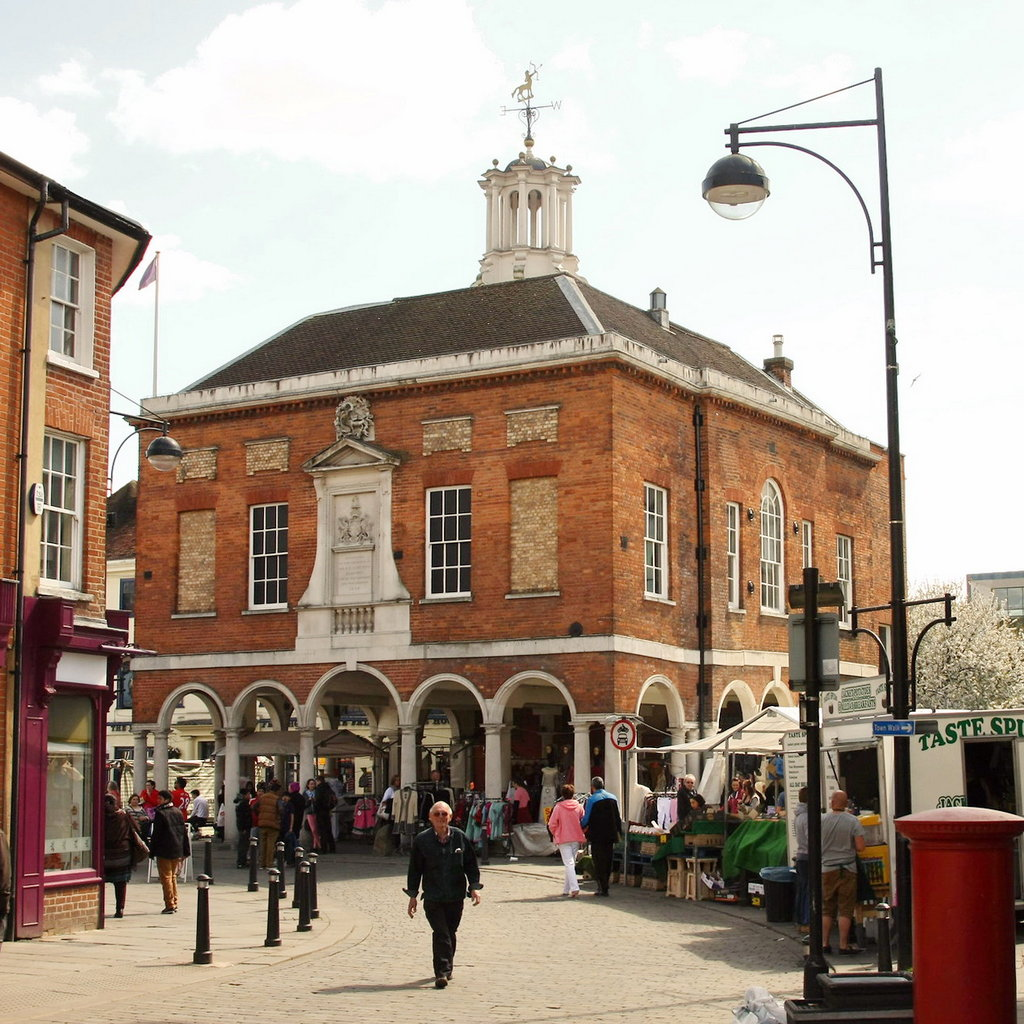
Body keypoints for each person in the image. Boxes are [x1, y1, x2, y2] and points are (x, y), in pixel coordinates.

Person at [404, 801, 482, 989]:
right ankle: (441, 972)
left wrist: (474, 887)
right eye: (437, 814)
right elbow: (415, 869)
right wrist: (413, 895)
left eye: (444, 814)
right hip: (433, 896)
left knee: (450, 932)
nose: (441, 818)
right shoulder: (422, 840)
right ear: (430, 818)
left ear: (450, 817)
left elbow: (470, 864)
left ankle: (447, 966)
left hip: (455, 895)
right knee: (441, 933)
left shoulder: (460, 838)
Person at [820, 790, 866, 955]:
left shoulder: (822, 820)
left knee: (827, 908)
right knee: (845, 909)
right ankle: (843, 945)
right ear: (846, 804)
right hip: (848, 869)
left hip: (827, 869)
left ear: (832, 802)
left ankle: (824, 943)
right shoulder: (853, 821)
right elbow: (860, 847)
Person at [149, 789, 190, 914]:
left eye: (160, 799)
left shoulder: (161, 814)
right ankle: (174, 901)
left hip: (164, 848)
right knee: (172, 877)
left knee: (166, 877)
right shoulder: (177, 811)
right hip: (177, 848)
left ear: (166, 800)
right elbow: (183, 832)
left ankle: (169, 904)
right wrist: (185, 849)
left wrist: (152, 850)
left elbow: (156, 834)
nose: (157, 801)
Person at [581, 776, 622, 897]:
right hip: (610, 834)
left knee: (598, 860)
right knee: (608, 859)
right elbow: (617, 817)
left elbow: (586, 819)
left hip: (597, 835)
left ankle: (601, 886)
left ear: (593, 787)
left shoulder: (592, 800)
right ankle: (606, 885)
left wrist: (580, 825)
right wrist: (618, 831)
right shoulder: (613, 797)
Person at [103, 794, 139, 918]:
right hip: (123, 853)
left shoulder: (100, 817)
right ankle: (120, 909)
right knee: (121, 883)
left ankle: (100, 908)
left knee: (101, 882)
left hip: (105, 854)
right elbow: (136, 829)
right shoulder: (124, 815)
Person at [547, 783, 586, 897]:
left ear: (562, 795)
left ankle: (574, 887)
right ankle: (566, 888)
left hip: (563, 838)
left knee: (568, 863)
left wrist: (556, 833)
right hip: (576, 837)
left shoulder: (559, 807)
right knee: (571, 863)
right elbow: (583, 821)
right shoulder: (579, 806)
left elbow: (552, 823)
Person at [793, 786, 810, 936]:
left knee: (802, 890)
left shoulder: (799, 815)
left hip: (801, 855)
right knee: (807, 890)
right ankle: (805, 921)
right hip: (807, 855)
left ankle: (800, 920)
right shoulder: (807, 817)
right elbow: (811, 839)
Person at [256, 779, 283, 867]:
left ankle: (262, 863)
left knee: (262, 844)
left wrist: (260, 813)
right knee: (271, 845)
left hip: (262, 822)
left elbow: (254, 807)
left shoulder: (262, 797)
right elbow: (281, 810)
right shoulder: (277, 798)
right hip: (273, 823)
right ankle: (269, 863)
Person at [313, 775, 337, 853]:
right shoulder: (329, 788)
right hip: (327, 811)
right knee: (329, 830)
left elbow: (318, 801)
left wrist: (315, 806)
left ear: (318, 781)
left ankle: (324, 848)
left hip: (320, 811)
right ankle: (332, 848)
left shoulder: (319, 789)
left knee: (322, 831)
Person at [233, 781, 254, 867]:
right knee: (243, 845)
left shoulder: (240, 803)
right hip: (244, 827)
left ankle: (242, 860)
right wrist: (244, 828)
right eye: (248, 794)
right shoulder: (244, 804)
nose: (250, 796)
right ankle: (241, 861)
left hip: (243, 827)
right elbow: (244, 817)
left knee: (243, 844)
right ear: (245, 795)